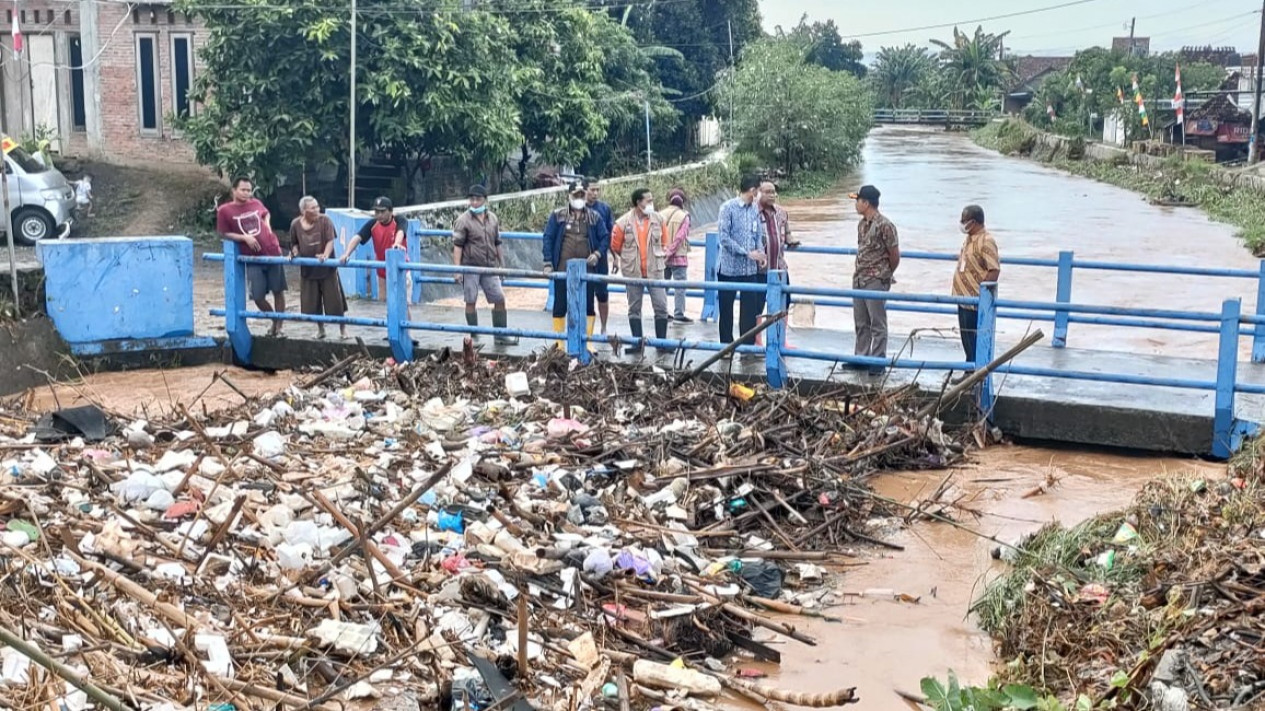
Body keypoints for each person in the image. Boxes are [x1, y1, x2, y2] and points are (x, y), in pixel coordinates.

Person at [218, 176, 286, 337]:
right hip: (252, 257)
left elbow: (265, 214)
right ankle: (274, 320)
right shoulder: (225, 211)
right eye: (243, 190)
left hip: (272, 251)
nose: (246, 193)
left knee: (278, 290)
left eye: (249, 190)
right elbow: (224, 233)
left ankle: (280, 326)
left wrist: (267, 226)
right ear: (233, 190)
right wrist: (244, 238)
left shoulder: (256, 203)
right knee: (257, 296)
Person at [543, 181, 609, 344]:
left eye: (581, 195)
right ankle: (559, 344)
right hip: (562, 269)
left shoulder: (595, 217)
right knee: (560, 305)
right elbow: (548, 238)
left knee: (588, 305)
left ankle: (588, 342)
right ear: (569, 196)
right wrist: (547, 262)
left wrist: (598, 253)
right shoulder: (557, 215)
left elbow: (605, 237)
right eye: (576, 195)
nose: (579, 198)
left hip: (587, 271)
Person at [453, 185, 517, 345]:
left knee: (499, 298)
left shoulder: (493, 219)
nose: (474, 202)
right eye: (472, 199)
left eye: (478, 199)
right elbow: (457, 245)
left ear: (485, 200)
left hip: (489, 265)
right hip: (470, 265)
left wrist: (501, 265)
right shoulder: (463, 220)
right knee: (470, 300)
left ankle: (500, 335)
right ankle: (474, 337)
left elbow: (497, 242)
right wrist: (457, 270)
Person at [611, 188, 670, 353]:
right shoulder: (622, 223)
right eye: (648, 200)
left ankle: (662, 344)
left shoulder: (659, 219)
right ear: (638, 202)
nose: (651, 203)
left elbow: (665, 241)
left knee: (661, 306)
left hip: (655, 271)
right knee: (634, 308)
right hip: (633, 272)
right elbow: (615, 245)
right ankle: (637, 344)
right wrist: (629, 259)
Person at [850, 184, 900, 367]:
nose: (855, 205)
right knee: (861, 322)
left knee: (877, 322)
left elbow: (894, 255)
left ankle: (877, 361)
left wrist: (883, 275)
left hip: (875, 279)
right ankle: (861, 358)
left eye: (857, 201)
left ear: (866, 203)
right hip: (859, 278)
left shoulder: (885, 225)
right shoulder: (862, 224)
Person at [717, 174, 767, 350]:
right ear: (753, 190)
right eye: (759, 190)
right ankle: (725, 347)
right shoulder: (727, 208)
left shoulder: (754, 209)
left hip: (749, 271)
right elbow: (723, 237)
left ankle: (748, 348)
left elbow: (758, 235)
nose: (760, 194)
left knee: (749, 312)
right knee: (726, 311)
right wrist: (747, 253)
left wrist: (760, 254)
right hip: (729, 269)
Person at [289, 196, 347, 340]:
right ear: (303, 211)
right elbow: (294, 243)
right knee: (312, 303)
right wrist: (294, 252)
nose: (316, 210)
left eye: (317, 207)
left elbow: (330, 241)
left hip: (327, 269)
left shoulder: (325, 220)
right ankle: (321, 329)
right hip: (308, 270)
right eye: (312, 208)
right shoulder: (295, 224)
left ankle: (343, 330)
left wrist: (326, 255)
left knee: (335, 301)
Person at [951, 204, 1000, 364]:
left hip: (975, 300)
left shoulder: (986, 241)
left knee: (974, 338)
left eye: (964, 220)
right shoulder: (969, 239)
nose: (961, 223)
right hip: (963, 298)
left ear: (974, 222)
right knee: (966, 337)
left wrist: (981, 293)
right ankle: (969, 370)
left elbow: (994, 270)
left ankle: (973, 372)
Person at [341, 196, 406, 300]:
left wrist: (397, 244)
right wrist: (347, 253)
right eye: (376, 212)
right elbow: (358, 237)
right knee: (383, 304)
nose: (379, 215)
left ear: (390, 211)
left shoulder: (399, 220)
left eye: (382, 212)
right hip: (382, 271)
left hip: (400, 269)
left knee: (403, 304)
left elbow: (401, 231)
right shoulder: (373, 224)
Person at [584, 179, 615, 335]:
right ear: (585, 191)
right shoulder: (576, 209)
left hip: (600, 257)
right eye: (592, 190)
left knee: (602, 293)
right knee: (586, 295)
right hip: (583, 258)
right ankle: (587, 332)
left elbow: (610, 235)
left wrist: (615, 256)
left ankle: (603, 327)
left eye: (597, 190)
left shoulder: (604, 209)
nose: (595, 193)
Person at [660, 187, 692, 323]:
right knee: (680, 286)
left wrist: (665, 252)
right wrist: (671, 251)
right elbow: (680, 237)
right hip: (678, 257)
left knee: (663, 285)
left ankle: (662, 312)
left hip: (661, 256)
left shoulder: (660, 214)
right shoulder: (684, 216)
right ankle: (679, 314)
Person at [758, 180, 798, 278]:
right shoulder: (751, 212)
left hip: (779, 268)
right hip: (759, 271)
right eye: (767, 192)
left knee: (784, 293)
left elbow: (787, 232)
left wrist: (790, 239)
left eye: (773, 192)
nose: (771, 195)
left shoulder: (782, 213)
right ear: (759, 193)